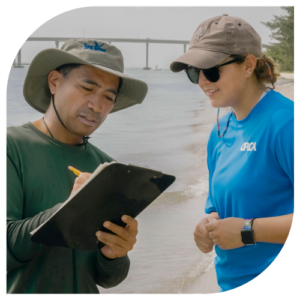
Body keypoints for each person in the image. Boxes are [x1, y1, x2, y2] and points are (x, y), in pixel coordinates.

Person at [5, 39, 148, 295]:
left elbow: (106, 278)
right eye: (86, 88)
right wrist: (68, 213)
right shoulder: (11, 147)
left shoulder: (106, 168)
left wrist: (115, 253)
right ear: (54, 82)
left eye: (108, 97)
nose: (97, 106)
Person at [170, 15, 295, 293]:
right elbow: (218, 206)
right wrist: (208, 225)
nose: (203, 81)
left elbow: (243, 227)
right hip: (229, 281)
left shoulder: (286, 124)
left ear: (249, 65)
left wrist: (247, 231)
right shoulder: (219, 132)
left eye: (211, 70)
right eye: (194, 72)